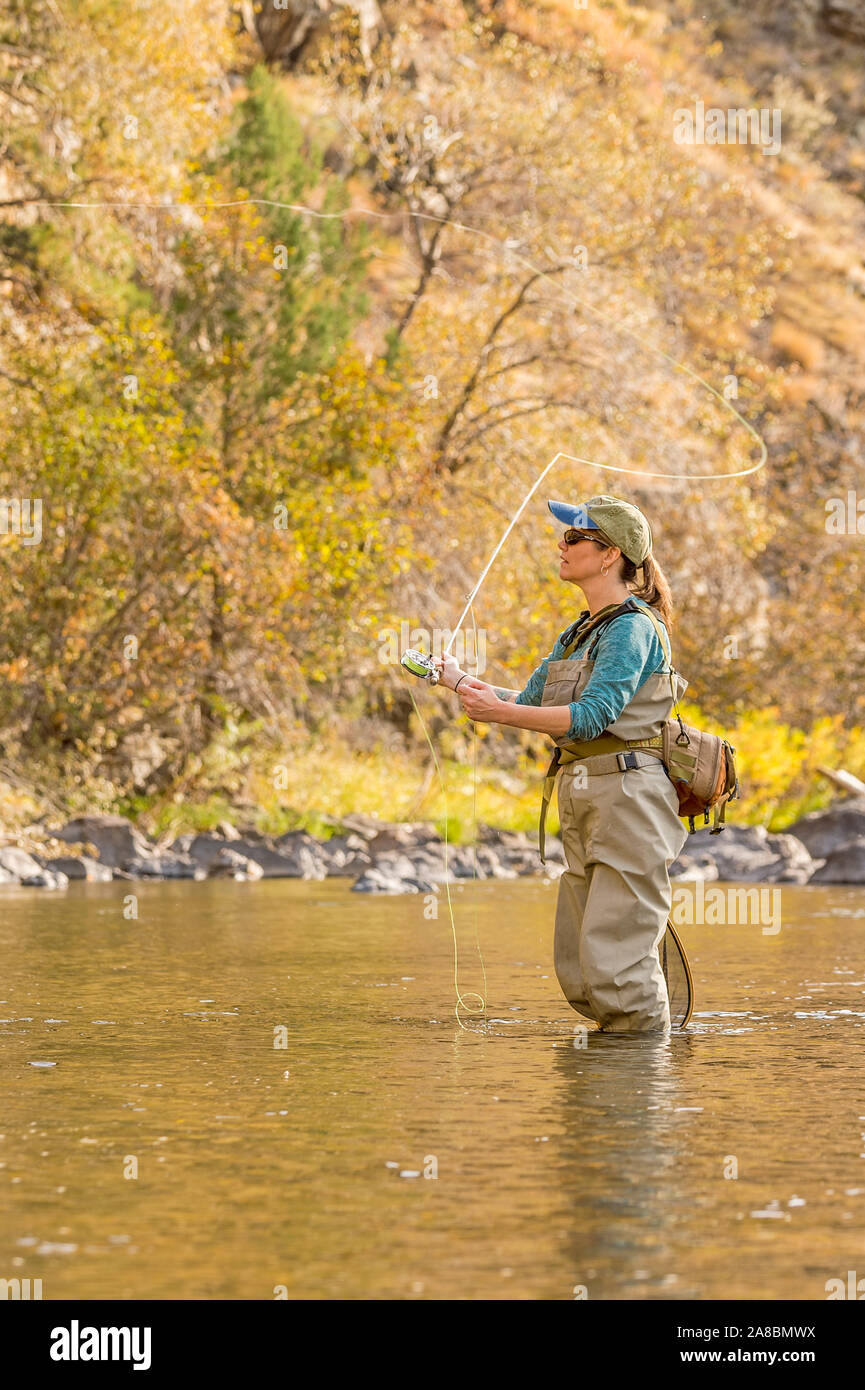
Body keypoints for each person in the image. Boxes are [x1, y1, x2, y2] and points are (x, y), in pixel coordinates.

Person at [434, 494, 688, 1034]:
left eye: (574, 538)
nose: (561, 545)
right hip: (586, 798)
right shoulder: (579, 631)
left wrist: (497, 712)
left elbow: (593, 716)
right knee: (582, 962)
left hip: (629, 801)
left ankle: (639, 1090)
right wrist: (458, 680)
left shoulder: (633, 628)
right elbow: (527, 704)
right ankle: (603, 1096)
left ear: (608, 555)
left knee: (616, 962)